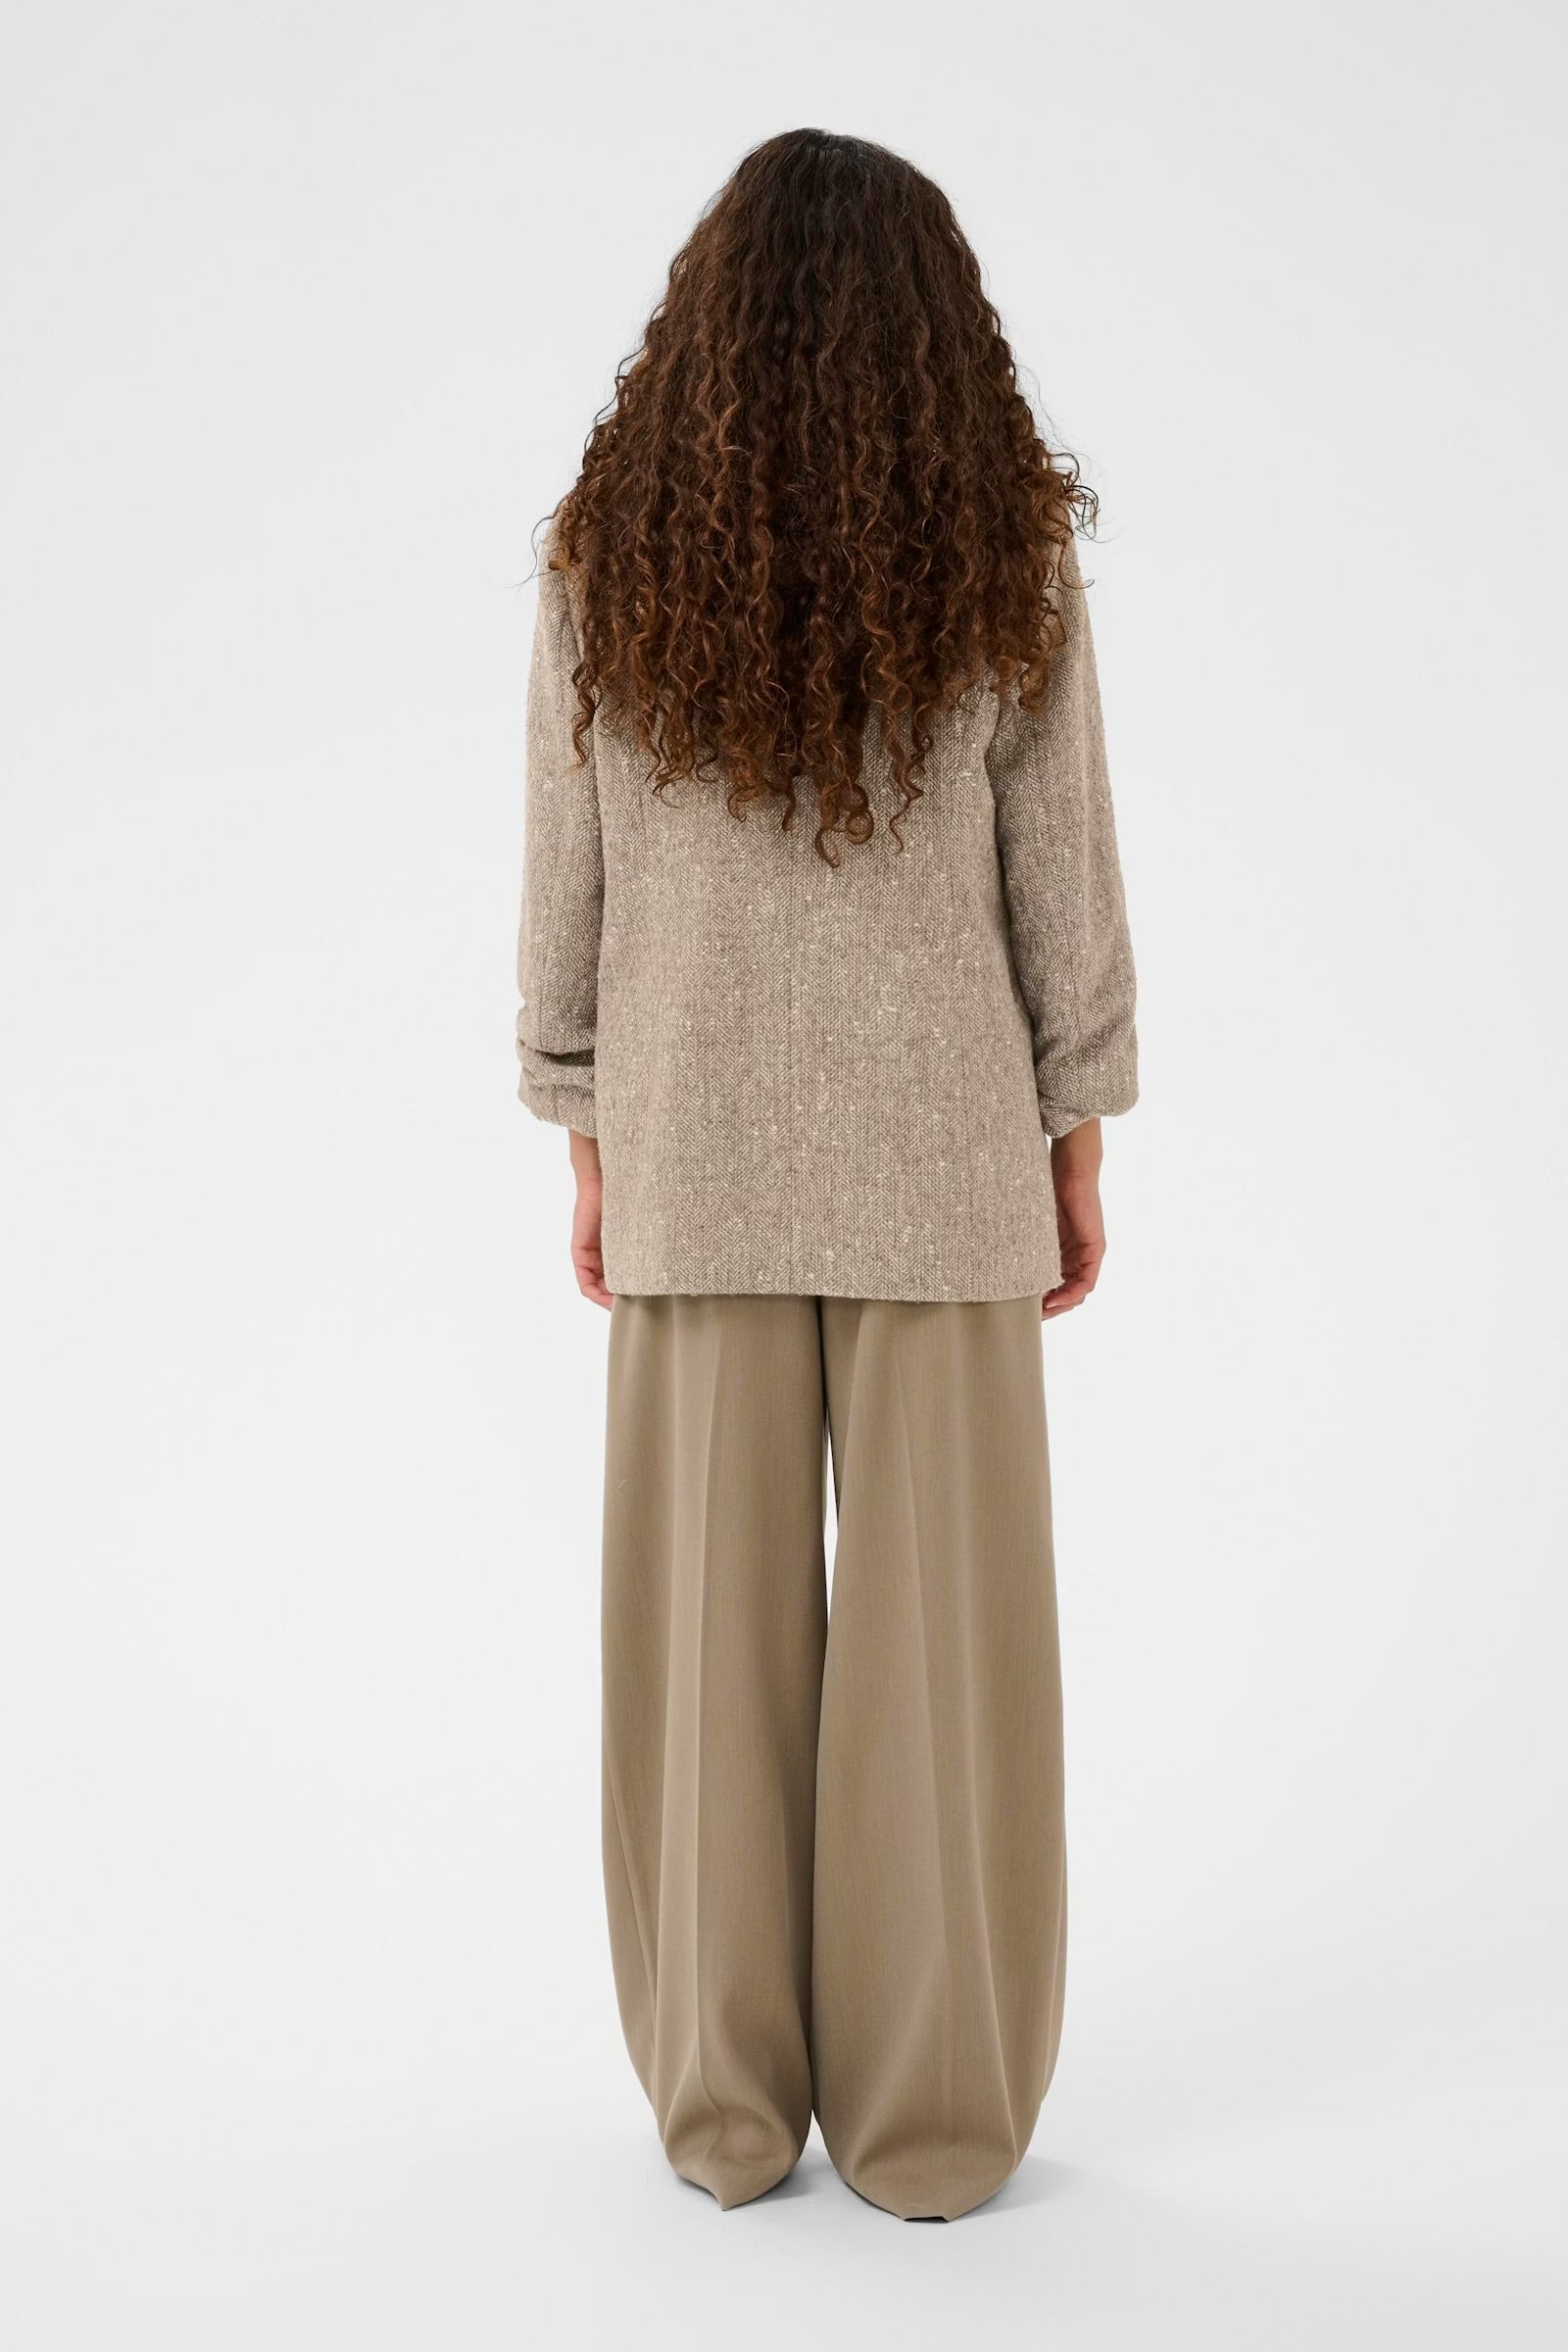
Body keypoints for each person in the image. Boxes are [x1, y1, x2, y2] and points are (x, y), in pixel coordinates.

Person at [514, 127, 1137, 2221]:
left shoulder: (606, 563)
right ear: (939, 333)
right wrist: (1074, 1125)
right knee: (945, 1660)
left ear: (702, 321)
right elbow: (1062, 877)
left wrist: (586, 1126)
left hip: (690, 1141)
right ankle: (934, 2124)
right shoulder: (1000, 563)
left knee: (700, 1655)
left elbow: (567, 882)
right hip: (942, 1145)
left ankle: (721, 2109)